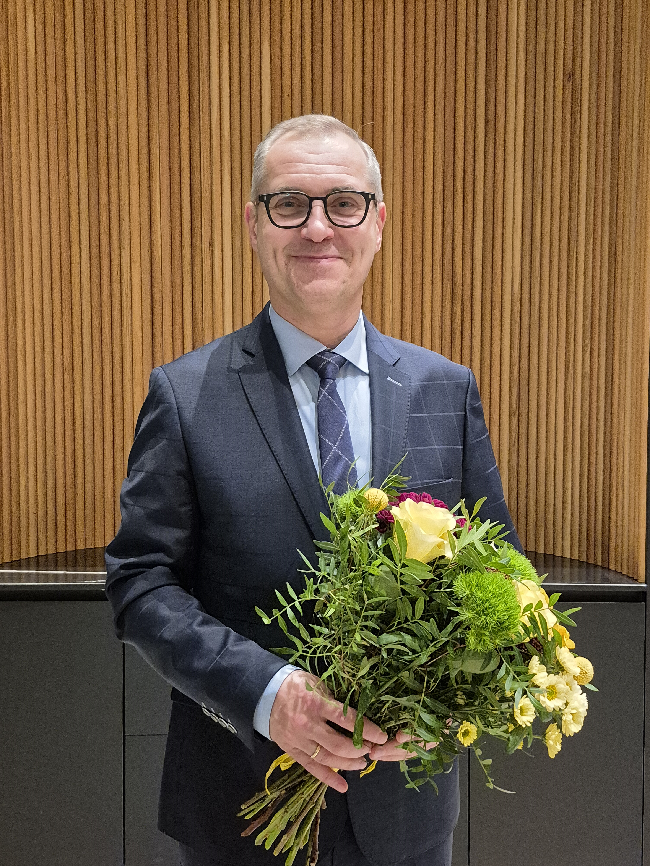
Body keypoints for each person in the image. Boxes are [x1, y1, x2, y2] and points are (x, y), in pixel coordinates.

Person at [105, 114, 520, 866]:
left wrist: (445, 698)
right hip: (240, 809)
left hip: (407, 816)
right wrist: (268, 695)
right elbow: (141, 585)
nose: (318, 228)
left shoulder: (445, 389)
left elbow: (501, 576)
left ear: (379, 223)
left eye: (344, 203)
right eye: (289, 204)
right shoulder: (184, 395)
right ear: (254, 224)